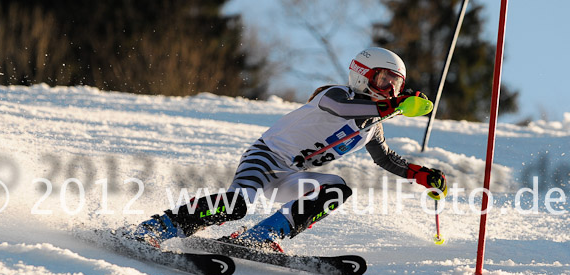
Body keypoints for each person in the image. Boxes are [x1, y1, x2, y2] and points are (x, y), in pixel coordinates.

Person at [130, 47, 447, 252]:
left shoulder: (372, 127)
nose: (390, 90)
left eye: (396, 85)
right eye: (384, 81)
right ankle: (155, 228)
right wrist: (396, 105)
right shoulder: (334, 95)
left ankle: (261, 237)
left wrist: (424, 175)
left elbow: (386, 159)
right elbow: (344, 109)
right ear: (363, 76)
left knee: (336, 189)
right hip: (265, 158)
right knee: (237, 205)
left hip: (289, 175)